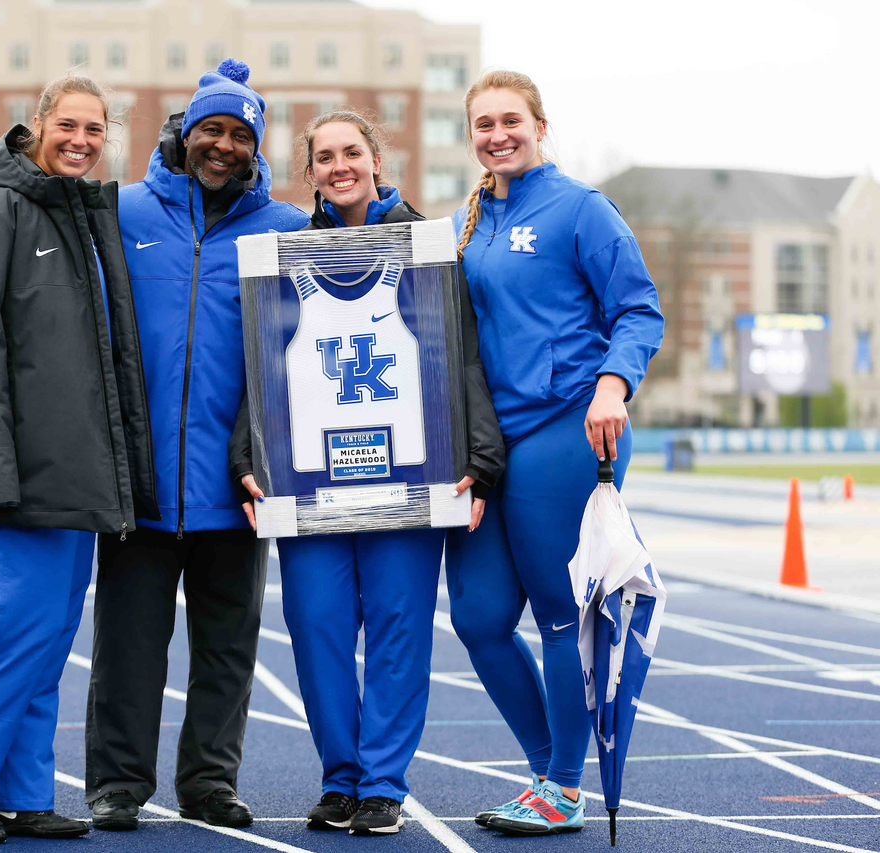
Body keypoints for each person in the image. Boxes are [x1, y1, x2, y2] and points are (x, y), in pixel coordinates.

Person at [232, 110, 505, 835]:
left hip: (414, 471)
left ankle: (382, 783)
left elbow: (462, 361)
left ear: (376, 158)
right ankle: (341, 775)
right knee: (317, 623)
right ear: (310, 172)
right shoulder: (281, 259)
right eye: (324, 156)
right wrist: (247, 458)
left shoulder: (428, 248)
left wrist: (479, 461)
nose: (339, 165)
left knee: (397, 626)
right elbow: (261, 373)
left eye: (352, 150)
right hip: (309, 479)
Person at [0, 74, 158, 845]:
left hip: (74, 473)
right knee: (15, 629)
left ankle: (21, 790)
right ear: (38, 123)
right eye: (69, 125)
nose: (81, 140)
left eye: (96, 129)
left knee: (47, 640)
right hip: (14, 478)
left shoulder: (78, 215)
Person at [84, 59, 308, 832]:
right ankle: (116, 782)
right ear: (184, 133)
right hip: (139, 484)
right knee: (128, 647)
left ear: (256, 147)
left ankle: (210, 781)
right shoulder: (123, 212)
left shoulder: (284, 229)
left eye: (240, 134)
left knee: (226, 650)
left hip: (239, 484)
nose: (223, 145)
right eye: (211, 128)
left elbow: (374, 259)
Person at [444, 70, 664, 836]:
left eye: (511, 120)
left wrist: (613, 383)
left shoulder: (580, 209)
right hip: (487, 443)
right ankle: (548, 770)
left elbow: (638, 307)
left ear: (539, 125)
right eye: (483, 124)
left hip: (568, 426)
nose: (497, 134)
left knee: (561, 614)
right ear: (470, 135)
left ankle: (563, 786)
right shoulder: (468, 224)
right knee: (477, 616)